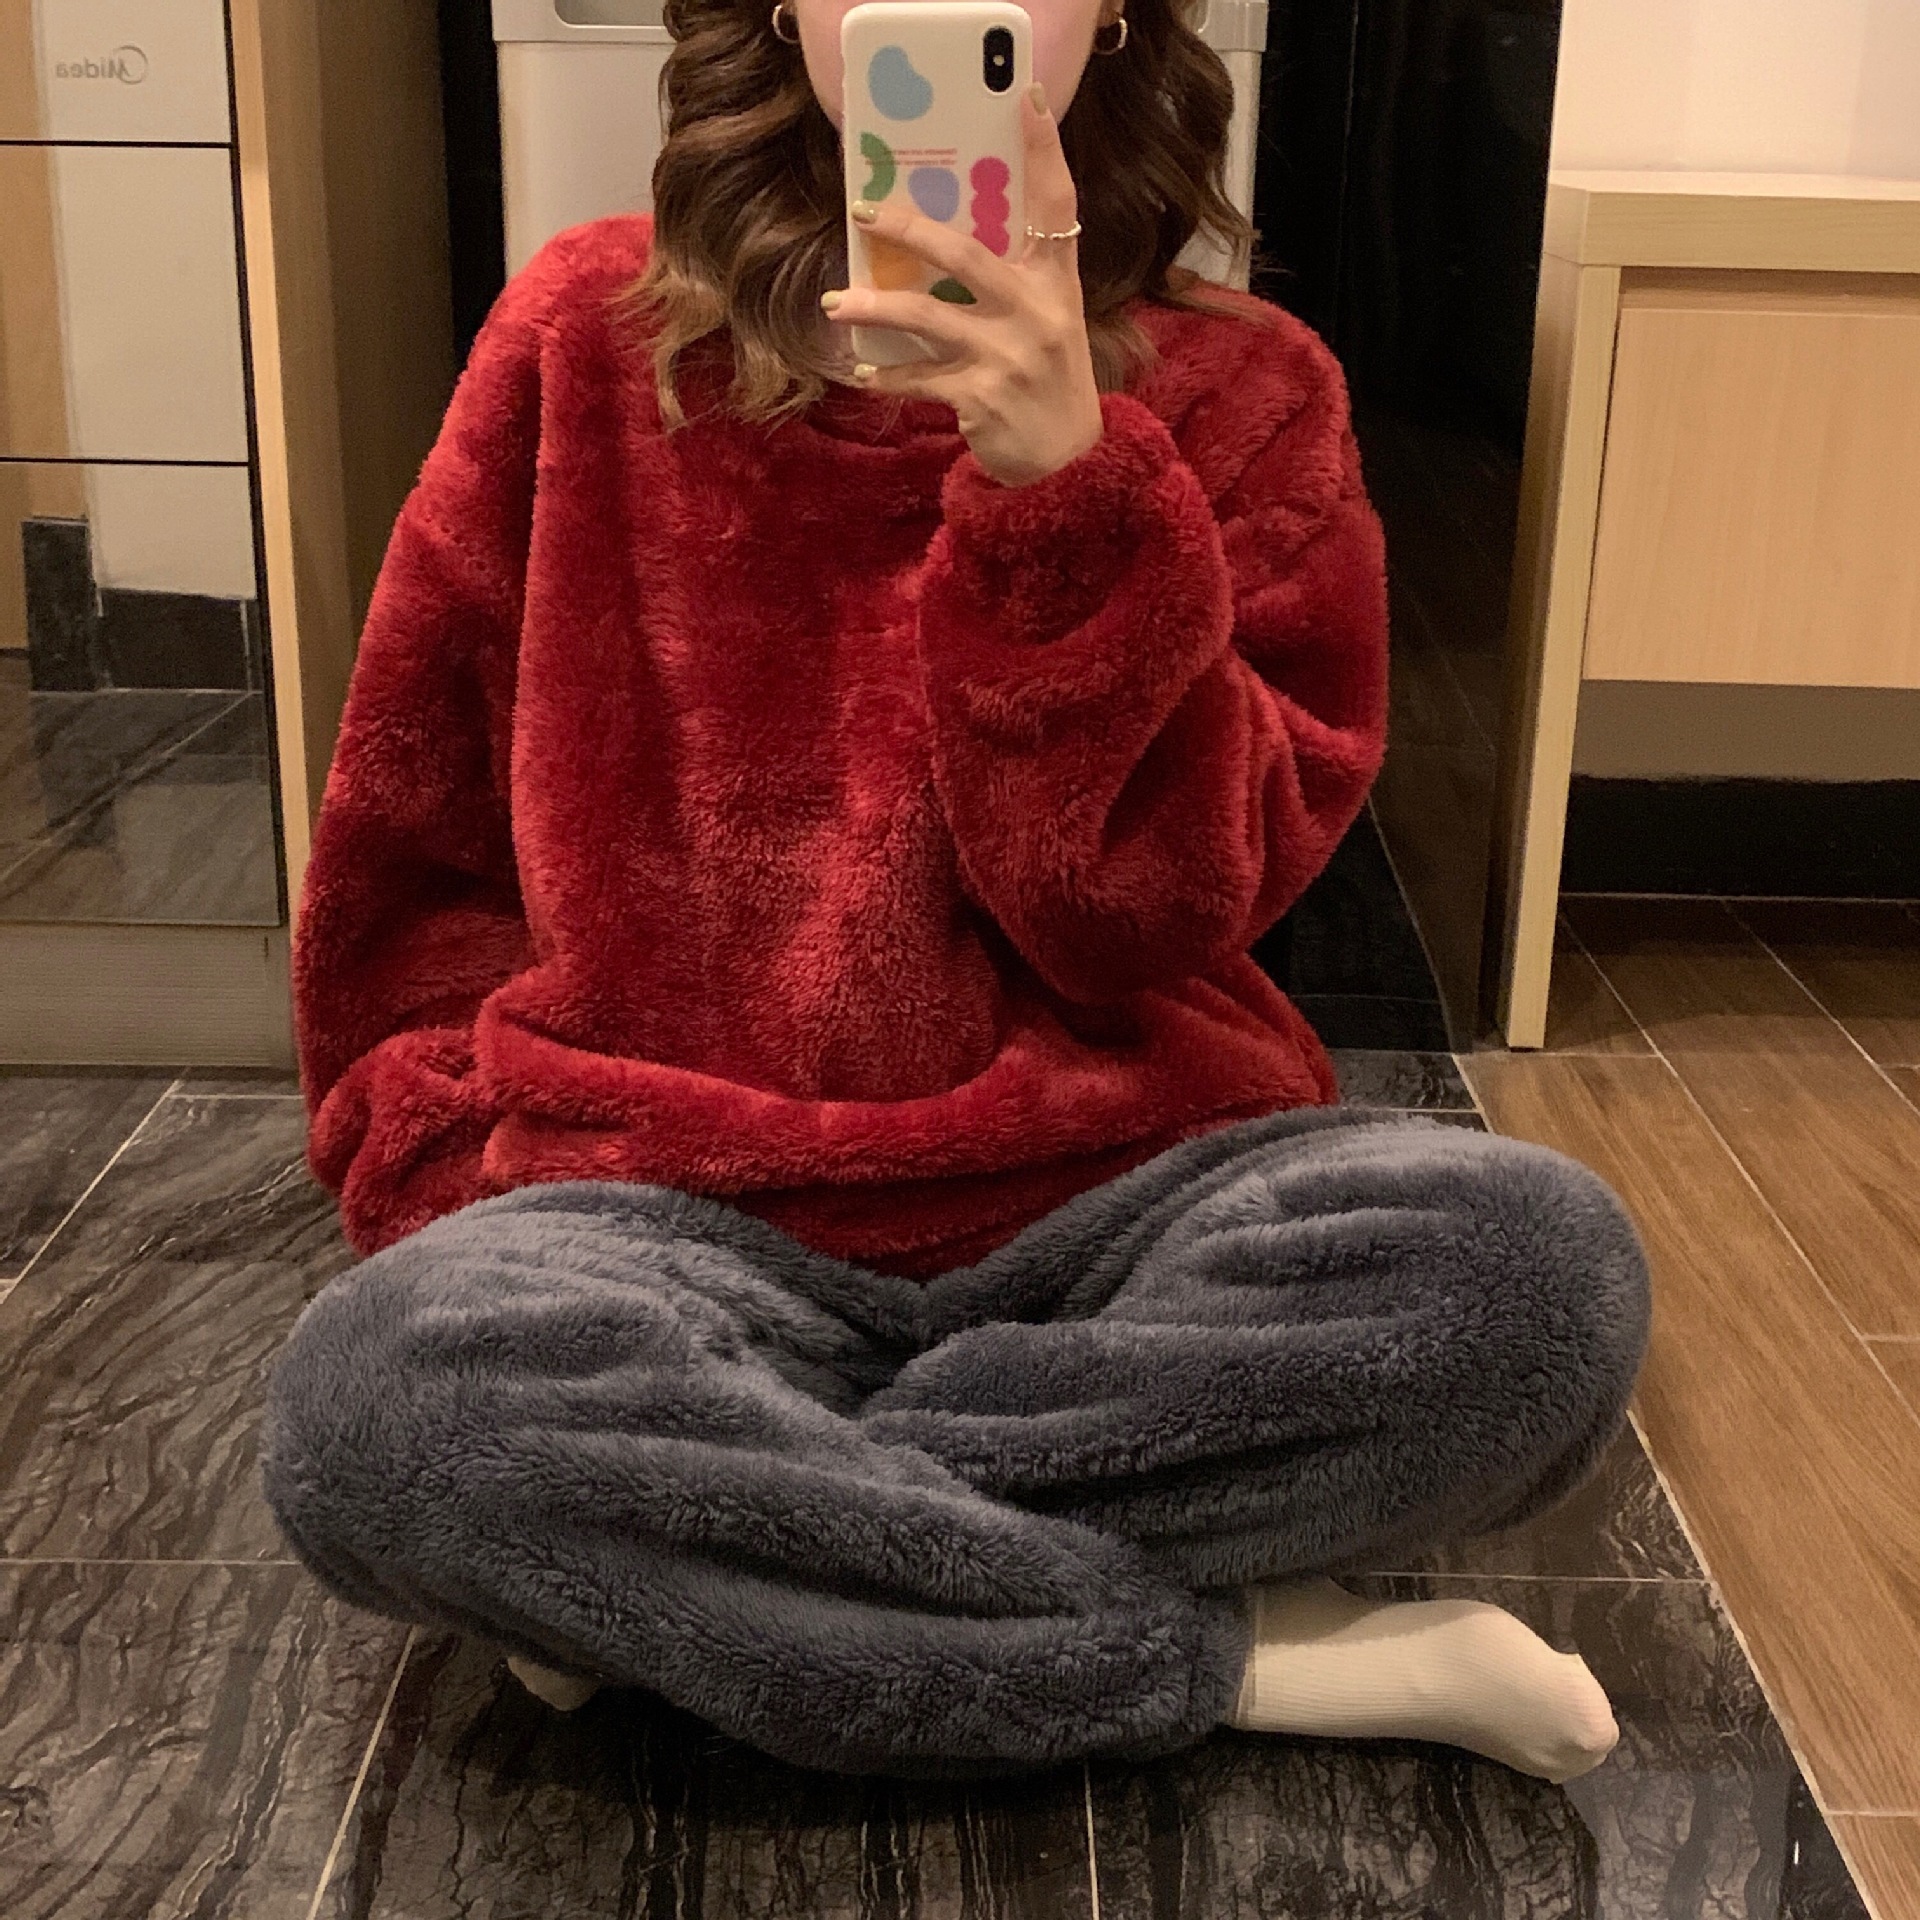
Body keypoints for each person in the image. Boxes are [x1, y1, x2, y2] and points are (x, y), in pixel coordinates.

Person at [260, 0, 1648, 1784]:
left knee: (1535, 1283)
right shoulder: (580, 337)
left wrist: (1069, 494)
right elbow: (411, 843)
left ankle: (692, 1572)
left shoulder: (1251, 391)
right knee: (381, 1409)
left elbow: (1146, 918)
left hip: (1129, 1199)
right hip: (654, 1204)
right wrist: (437, 1161)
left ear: (1119, 10)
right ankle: (1249, 1663)